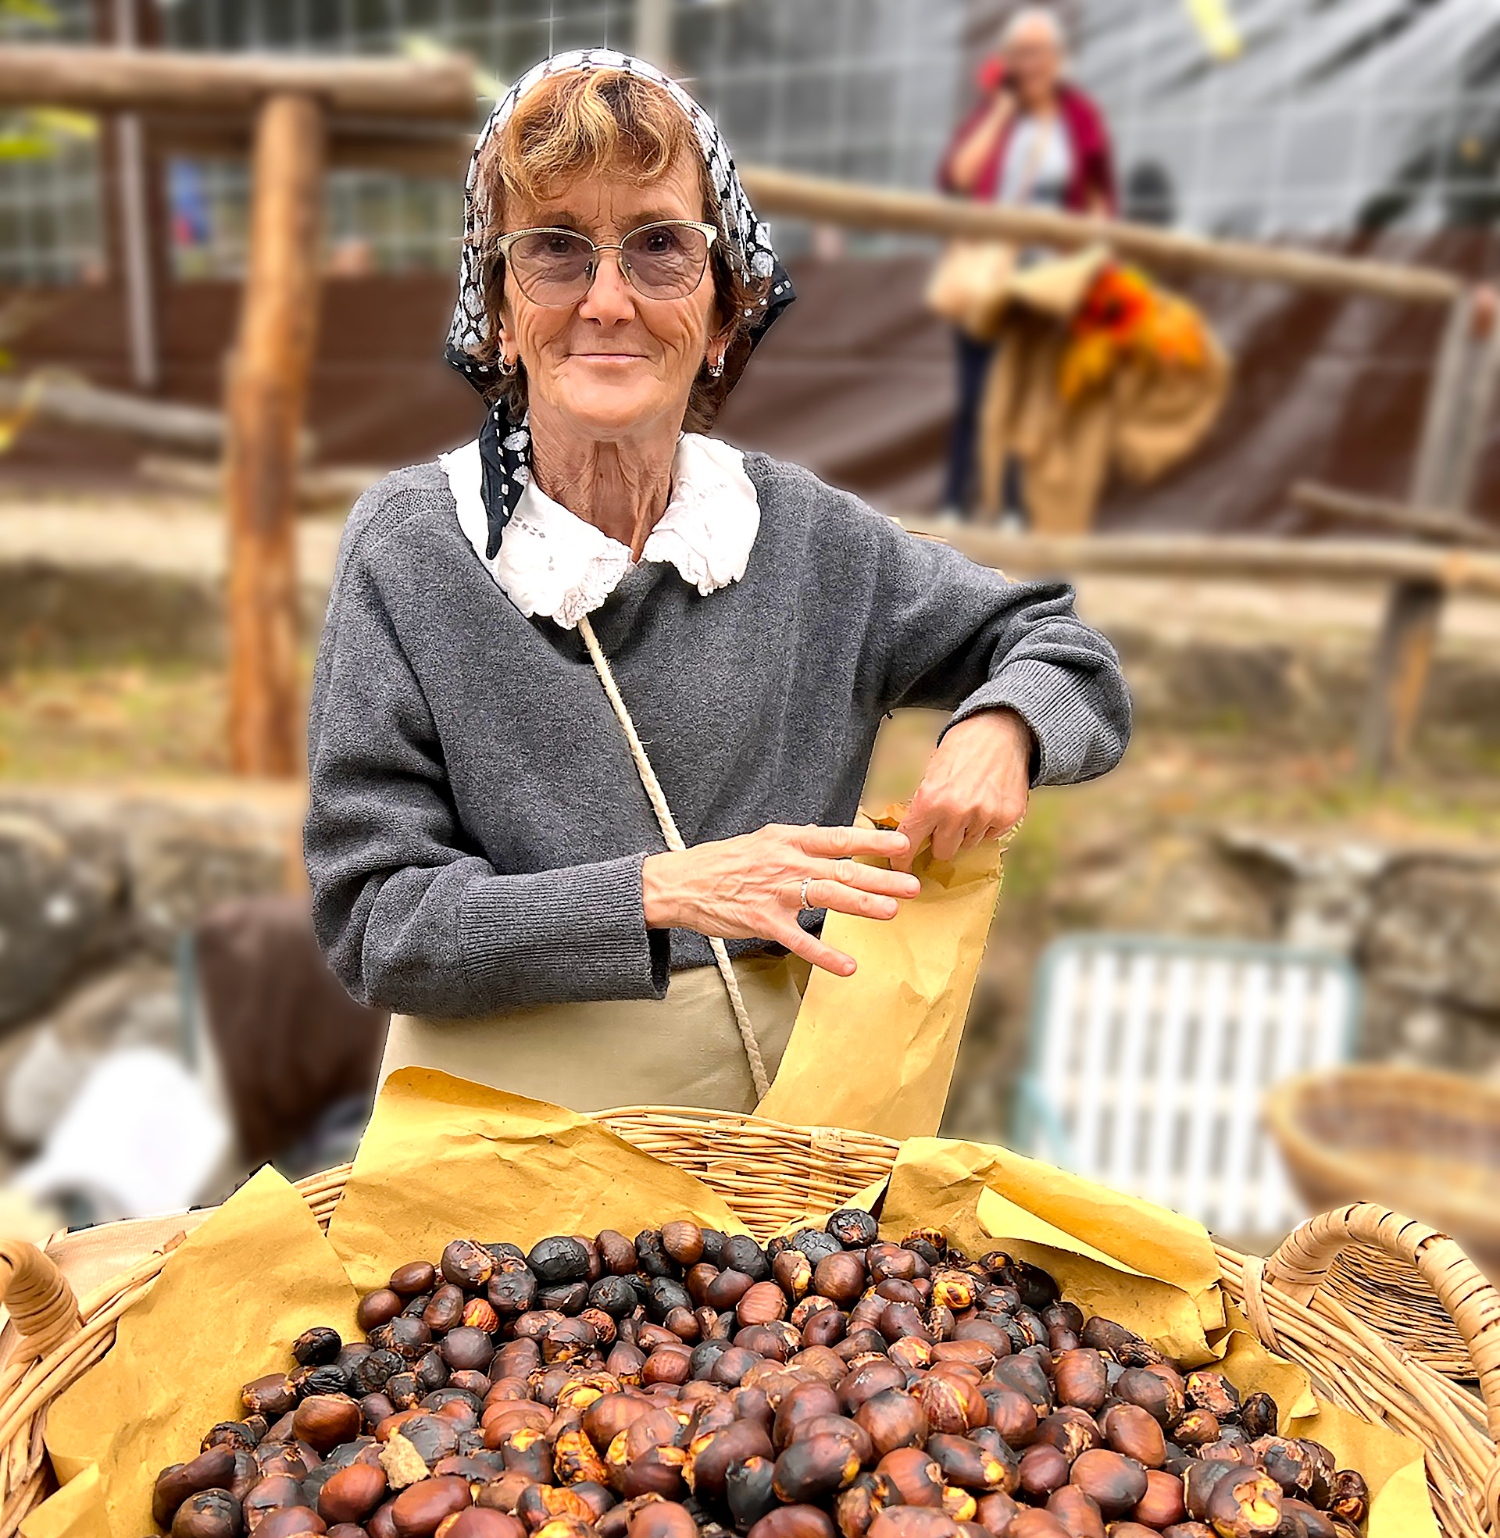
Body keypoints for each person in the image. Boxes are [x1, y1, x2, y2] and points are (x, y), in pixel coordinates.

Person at [304, 48, 1130, 1117]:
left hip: (782, 1161)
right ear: (500, 315)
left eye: (659, 248)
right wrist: (664, 893)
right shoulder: (415, 549)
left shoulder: (807, 541)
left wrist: (1006, 723)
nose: (607, 299)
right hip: (496, 1166)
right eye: (554, 251)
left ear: (725, 313)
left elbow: (1063, 648)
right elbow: (379, 921)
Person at [938, 8, 1117, 519]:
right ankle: (956, 501)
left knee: (1029, 392)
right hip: (990, 271)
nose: (1029, 64)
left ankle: (1014, 507)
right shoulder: (996, 114)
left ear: (1057, 60)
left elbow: (1100, 193)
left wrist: (1094, 255)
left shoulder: (1078, 117)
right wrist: (1001, 110)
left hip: (1047, 277)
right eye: (1019, 53)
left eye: (1038, 53)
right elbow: (961, 174)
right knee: (975, 393)